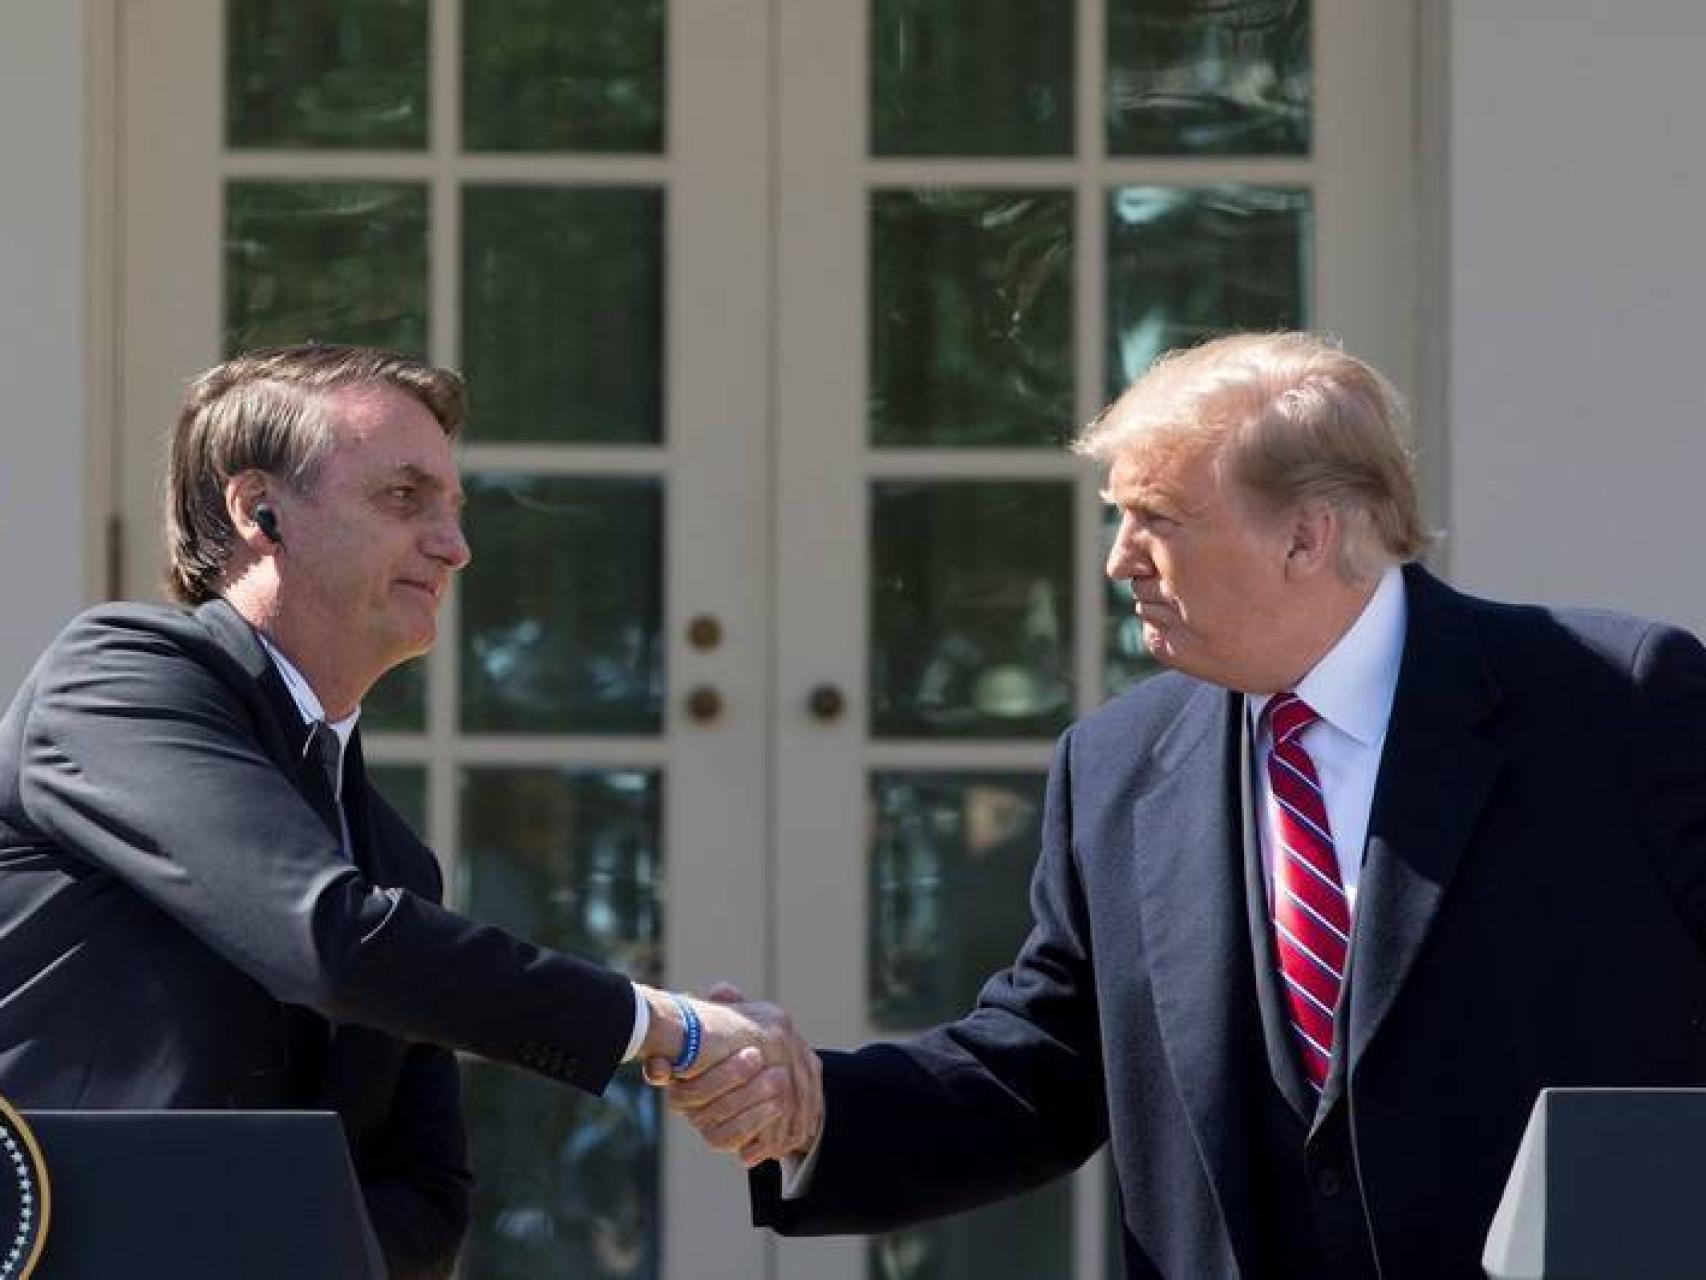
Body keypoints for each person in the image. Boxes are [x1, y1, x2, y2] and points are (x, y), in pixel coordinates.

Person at [669, 331, 1706, 1278]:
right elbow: (1037, 1069)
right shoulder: (1114, 763)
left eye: (1156, 518)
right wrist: (807, 1106)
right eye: (1120, 515)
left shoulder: (1614, 701)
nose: (1119, 556)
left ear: (1306, 536)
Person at [0, 344, 815, 1279]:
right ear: (257, 509)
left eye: (454, 511)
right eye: (403, 498)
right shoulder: (116, 677)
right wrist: (667, 1027)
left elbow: (429, 1194)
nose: (454, 545)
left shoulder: (392, 858)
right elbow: (323, 939)